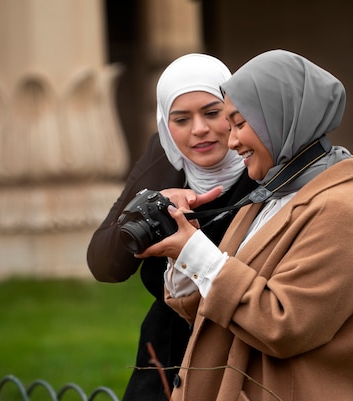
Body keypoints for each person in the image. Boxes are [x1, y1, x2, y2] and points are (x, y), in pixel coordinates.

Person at [138, 49, 353, 401]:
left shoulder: (339, 208)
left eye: (239, 123)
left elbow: (282, 325)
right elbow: (207, 308)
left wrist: (197, 252)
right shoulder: (271, 193)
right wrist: (181, 244)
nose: (232, 141)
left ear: (279, 117)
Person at [87, 53, 257, 401]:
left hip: (239, 371)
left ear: (235, 112)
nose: (198, 129)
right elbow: (104, 263)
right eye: (181, 119)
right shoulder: (165, 161)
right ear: (166, 124)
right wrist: (155, 201)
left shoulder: (262, 175)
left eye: (212, 113)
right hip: (162, 366)